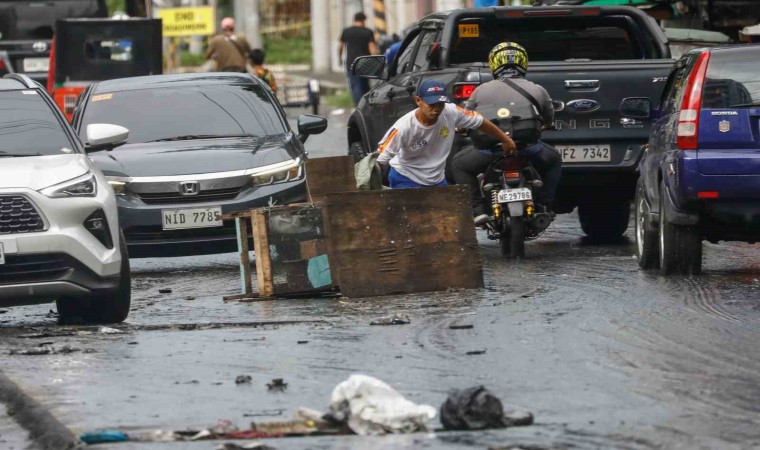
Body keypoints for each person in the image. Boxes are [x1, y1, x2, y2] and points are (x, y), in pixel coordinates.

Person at [452, 42, 562, 225]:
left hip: (488, 151)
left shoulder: (480, 91)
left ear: (494, 64)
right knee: (555, 159)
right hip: (528, 149)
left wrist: (462, 129)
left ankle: (477, 209)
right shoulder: (537, 89)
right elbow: (548, 117)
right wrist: (547, 125)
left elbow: (467, 117)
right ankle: (544, 205)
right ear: (523, 62)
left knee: (459, 164)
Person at [376, 79, 516, 189]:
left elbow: (480, 122)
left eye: (440, 104)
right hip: (405, 178)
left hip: (437, 180)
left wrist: (505, 139)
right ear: (418, 101)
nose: (437, 110)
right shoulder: (403, 127)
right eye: (432, 105)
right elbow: (380, 159)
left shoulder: (451, 111)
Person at [338, 12, 378, 106]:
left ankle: (358, 106)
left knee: (355, 85)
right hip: (366, 62)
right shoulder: (368, 31)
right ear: (363, 20)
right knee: (365, 85)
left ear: (355, 20)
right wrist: (377, 60)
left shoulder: (346, 31)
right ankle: (365, 106)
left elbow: (340, 46)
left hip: (352, 62)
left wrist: (339, 58)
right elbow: (372, 47)